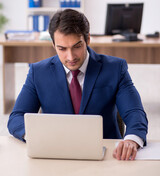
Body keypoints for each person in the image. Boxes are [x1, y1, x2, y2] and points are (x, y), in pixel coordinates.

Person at [7, 9, 148, 160]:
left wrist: (131, 140)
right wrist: (36, 136)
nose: (71, 56)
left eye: (77, 46)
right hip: (55, 154)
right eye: (62, 49)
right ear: (53, 45)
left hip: (106, 154)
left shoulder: (115, 68)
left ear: (87, 39)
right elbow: (16, 117)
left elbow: (135, 113)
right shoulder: (38, 72)